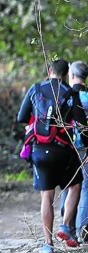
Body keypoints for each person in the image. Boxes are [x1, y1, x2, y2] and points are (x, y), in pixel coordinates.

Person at [17, 59, 88, 253]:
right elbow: (81, 125)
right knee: (75, 185)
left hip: (40, 151)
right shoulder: (70, 92)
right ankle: (65, 226)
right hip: (64, 151)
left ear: (49, 71)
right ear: (67, 74)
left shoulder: (36, 88)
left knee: (46, 198)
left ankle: (48, 244)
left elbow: (21, 117)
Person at [60, 61, 88, 241]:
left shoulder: (65, 96)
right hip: (86, 147)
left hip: (68, 146)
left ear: (71, 75)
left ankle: (67, 227)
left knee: (67, 185)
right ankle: (83, 230)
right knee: (85, 187)